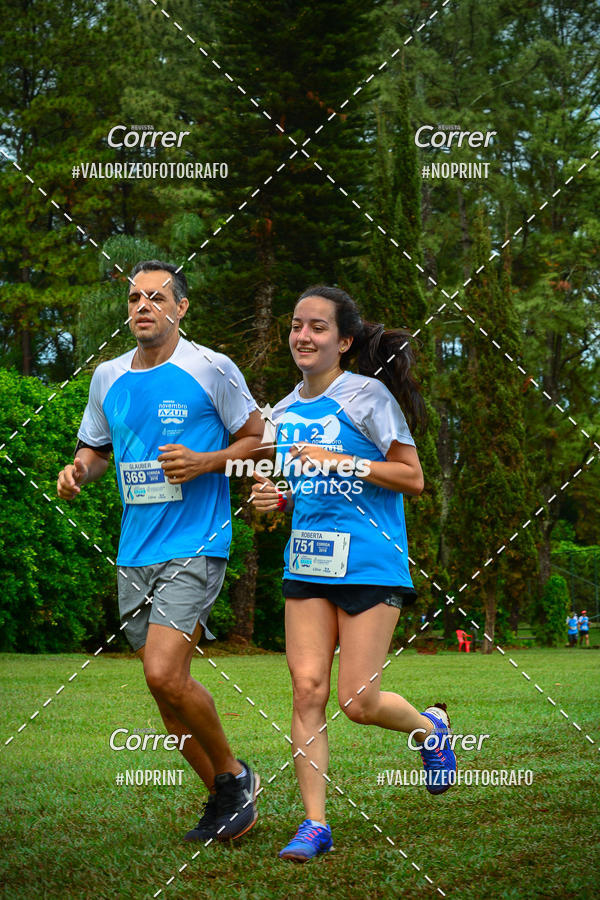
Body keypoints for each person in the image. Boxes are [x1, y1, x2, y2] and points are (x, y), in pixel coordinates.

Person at [57, 260, 264, 843]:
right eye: (134, 298)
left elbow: (259, 440)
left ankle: (233, 778)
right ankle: (227, 792)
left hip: (195, 542)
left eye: (156, 297)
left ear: (180, 308)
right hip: (135, 551)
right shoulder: (107, 377)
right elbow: (96, 450)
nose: (143, 306)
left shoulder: (212, 368)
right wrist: (78, 471)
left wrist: (205, 461)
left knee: (163, 672)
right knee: (164, 690)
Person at [251, 285, 457, 862]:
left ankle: (431, 729)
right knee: (307, 690)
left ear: (343, 342)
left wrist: (343, 460)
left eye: (317, 327)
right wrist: (276, 500)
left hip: (370, 561)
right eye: (296, 325)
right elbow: (306, 488)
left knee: (358, 701)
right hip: (308, 561)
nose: (303, 336)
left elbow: (412, 477)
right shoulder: (282, 412)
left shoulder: (368, 396)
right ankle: (314, 824)